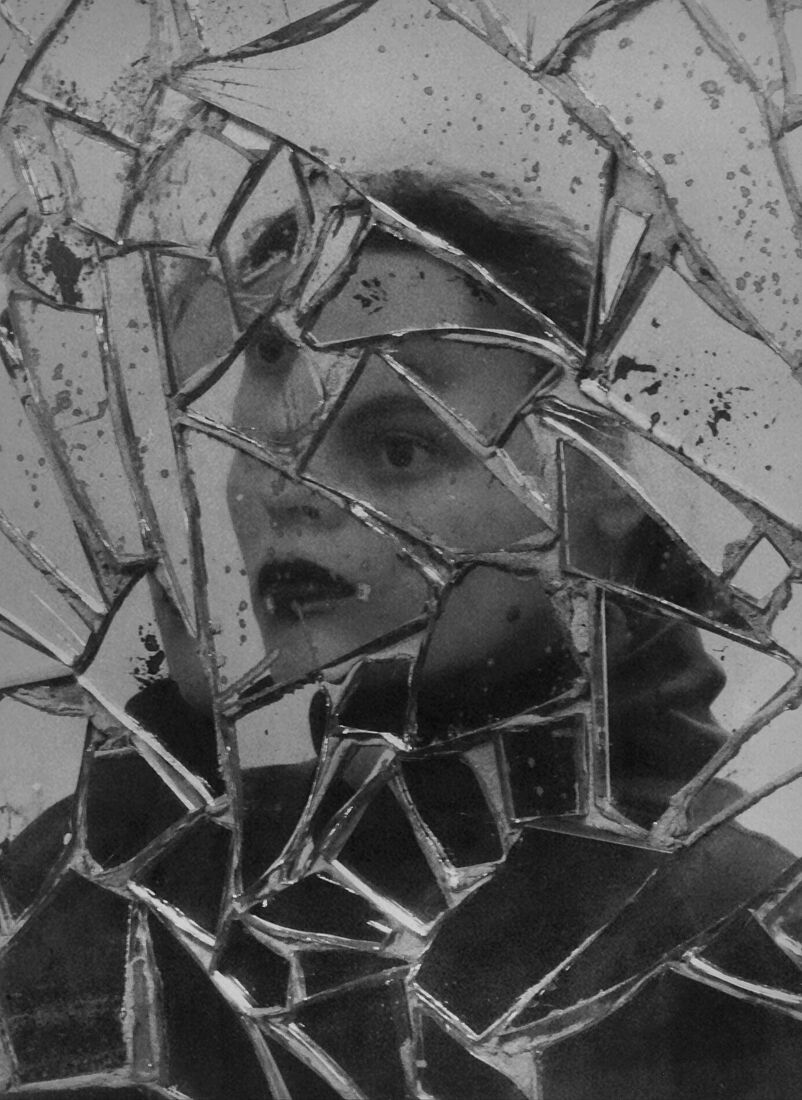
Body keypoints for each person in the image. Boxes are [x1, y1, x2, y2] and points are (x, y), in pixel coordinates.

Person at [3, 167, 802, 1100]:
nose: (291, 497)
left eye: (399, 449)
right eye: (258, 445)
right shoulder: (105, 874)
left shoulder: (728, 930)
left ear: (603, 481)